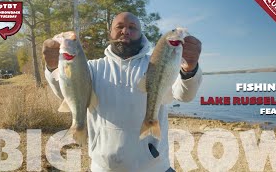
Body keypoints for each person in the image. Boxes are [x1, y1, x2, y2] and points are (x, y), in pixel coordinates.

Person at [43, 12, 202, 172]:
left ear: (141, 34)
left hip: (155, 167)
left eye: (132, 28)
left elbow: (185, 95)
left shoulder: (156, 63)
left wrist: (190, 69)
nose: (125, 31)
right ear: (110, 32)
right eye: (119, 27)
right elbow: (65, 93)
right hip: (103, 167)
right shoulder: (91, 68)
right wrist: (52, 67)